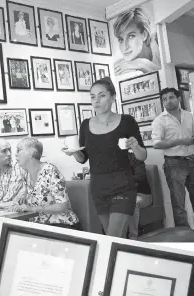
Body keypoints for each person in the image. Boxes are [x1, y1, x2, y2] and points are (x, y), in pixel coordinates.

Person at [63, 76, 147, 238]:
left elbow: (142, 156)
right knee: (113, 240)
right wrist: (73, 151)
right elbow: (83, 158)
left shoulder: (127, 121)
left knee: (113, 238)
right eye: (93, 97)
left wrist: (135, 146)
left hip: (122, 186)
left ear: (113, 98)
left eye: (102, 95)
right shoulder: (86, 125)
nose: (96, 100)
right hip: (98, 188)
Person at [152, 87, 194, 239]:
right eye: (164, 99)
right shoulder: (159, 120)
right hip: (173, 164)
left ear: (178, 98)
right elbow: (156, 144)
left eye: (171, 97)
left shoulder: (190, 115)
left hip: (192, 161)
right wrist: (179, 141)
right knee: (179, 206)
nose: (167, 101)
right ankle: (185, 241)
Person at [15, 136, 80, 229]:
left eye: (19, 150)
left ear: (31, 153)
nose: (15, 154)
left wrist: (33, 209)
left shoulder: (50, 171)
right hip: (39, 226)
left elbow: (63, 206)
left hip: (61, 224)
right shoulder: (26, 174)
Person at [112, 7, 161, 76]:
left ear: (144, 35)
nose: (125, 47)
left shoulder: (159, 40)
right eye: (121, 39)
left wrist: (143, 63)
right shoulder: (121, 65)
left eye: (131, 36)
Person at [128, 151, 152, 239]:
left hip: (142, 195)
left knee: (131, 202)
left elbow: (140, 176)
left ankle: (133, 237)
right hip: (121, 196)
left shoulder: (136, 159)